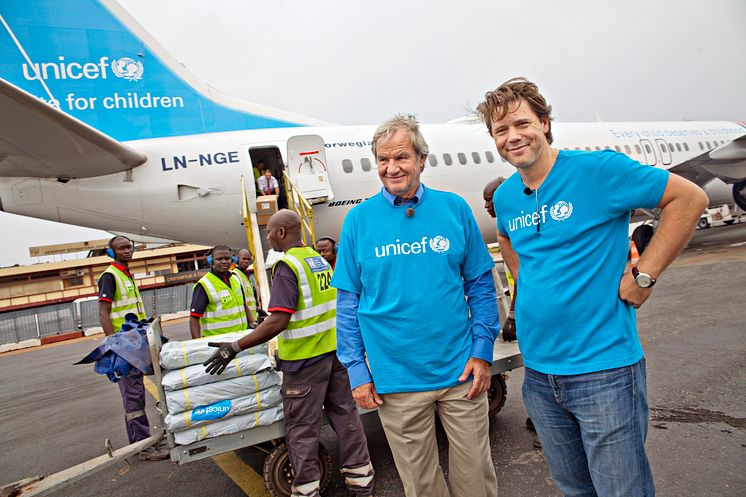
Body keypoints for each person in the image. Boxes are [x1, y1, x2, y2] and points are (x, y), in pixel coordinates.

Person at [476, 77, 708, 497]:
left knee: (622, 490)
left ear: (545, 123)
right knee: (573, 488)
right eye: (500, 130)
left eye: (521, 124)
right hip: (541, 376)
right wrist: (524, 283)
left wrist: (644, 274)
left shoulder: (598, 170)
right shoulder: (508, 196)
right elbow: (507, 236)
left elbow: (689, 198)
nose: (513, 137)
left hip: (605, 372)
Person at [331, 115, 499, 497]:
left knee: (477, 480)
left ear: (422, 159)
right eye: (383, 159)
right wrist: (357, 371)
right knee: (420, 486)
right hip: (396, 380)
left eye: (402, 157)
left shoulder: (454, 209)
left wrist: (483, 352)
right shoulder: (358, 221)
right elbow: (348, 305)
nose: (392, 168)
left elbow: (481, 287)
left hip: (462, 374)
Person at [204, 210, 374, 497]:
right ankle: (361, 480)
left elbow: (279, 320)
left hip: (304, 360)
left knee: (302, 428)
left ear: (281, 233)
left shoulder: (287, 266)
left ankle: (306, 489)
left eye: (269, 232)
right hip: (334, 354)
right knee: (346, 417)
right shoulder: (317, 259)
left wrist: (235, 347)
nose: (267, 237)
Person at [98, 235, 168, 461]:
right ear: (111, 252)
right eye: (121, 248)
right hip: (124, 349)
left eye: (129, 247)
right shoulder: (110, 276)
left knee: (136, 395)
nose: (127, 251)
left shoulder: (126, 275)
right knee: (133, 398)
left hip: (134, 344)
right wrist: (114, 344)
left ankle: (143, 443)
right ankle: (142, 447)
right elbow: (103, 314)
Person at [189, 245, 253, 339]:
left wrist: (252, 324)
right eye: (219, 259)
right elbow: (194, 318)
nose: (224, 262)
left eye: (227, 258)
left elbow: (244, 306)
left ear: (233, 260)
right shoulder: (204, 285)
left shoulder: (235, 279)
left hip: (241, 338)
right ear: (211, 261)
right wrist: (198, 343)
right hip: (218, 342)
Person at [231, 248, 261, 323]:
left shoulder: (248, 277)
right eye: (244, 259)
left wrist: (257, 309)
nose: (246, 261)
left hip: (252, 318)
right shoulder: (235, 275)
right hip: (244, 319)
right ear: (237, 259)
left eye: (248, 259)